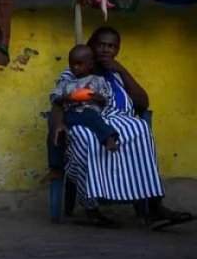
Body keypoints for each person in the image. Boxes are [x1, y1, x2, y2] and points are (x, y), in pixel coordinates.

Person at [50, 27, 193, 229]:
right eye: (101, 45)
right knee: (86, 138)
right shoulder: (75, 69)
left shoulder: (116, 74)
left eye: (111, 46)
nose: (106, 50)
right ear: (92, 45)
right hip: (87, 119)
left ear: (117, 50)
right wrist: (58, 123)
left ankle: (153, 206)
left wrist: (121, 70)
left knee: (140, 128)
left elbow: (143, 102)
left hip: (119, 119)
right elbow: (57, 102)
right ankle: (92, 209)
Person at [51, 44, 118, 152]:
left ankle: (109, 139)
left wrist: (97, 97)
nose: (75, 67)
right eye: (72, 64)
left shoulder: (97, 80)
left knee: (92, 117)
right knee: (56, 124)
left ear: (90, 65)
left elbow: (106, 99)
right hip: (71, 113)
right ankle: (57, 159)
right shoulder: (66, 83)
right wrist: (66, 98)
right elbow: (54, 98)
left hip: (89, 112)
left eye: (79, 64)